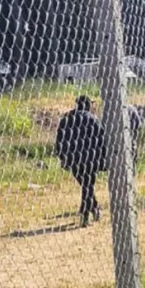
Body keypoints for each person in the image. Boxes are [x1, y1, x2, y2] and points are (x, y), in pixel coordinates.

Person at [57, 95, 106, 227]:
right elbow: (102, 139)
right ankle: (86, 213)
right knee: (88, 185)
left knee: (86, 185)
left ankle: (94, 209)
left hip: (73, 159)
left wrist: (63, 158)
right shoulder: (92, 119)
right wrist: (104, 159)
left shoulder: (66, 120)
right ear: (88, 105)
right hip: (90, 159)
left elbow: (59, 141)